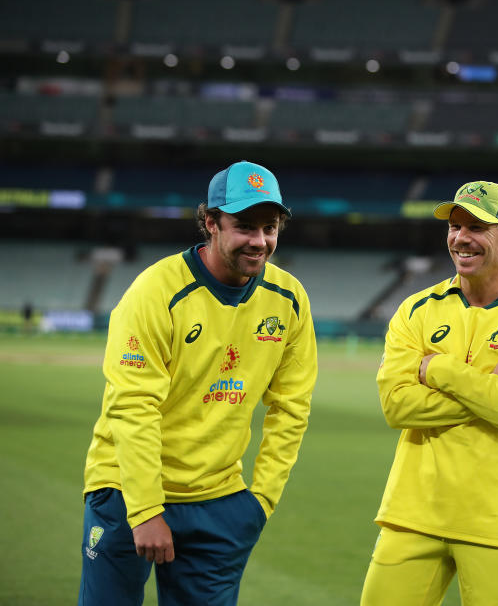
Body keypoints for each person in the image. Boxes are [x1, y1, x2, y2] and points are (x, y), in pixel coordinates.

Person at [78, 161, 318, 605]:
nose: (259, 240)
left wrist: (260, 499)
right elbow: (133, 405)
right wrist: (146, 509)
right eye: (244, 226)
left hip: (220, 502)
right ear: (210, 222)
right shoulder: (155, 291)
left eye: (270, 227)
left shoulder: (289, 298)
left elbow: (292, 406)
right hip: (126, 492)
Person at [361, 181, 498, 606]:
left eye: (477, 226)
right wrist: (489, 384)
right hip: (412, 514)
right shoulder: (416, 309)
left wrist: (436, 367)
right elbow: (396, 405)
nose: (461, 238)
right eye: (455, 226)